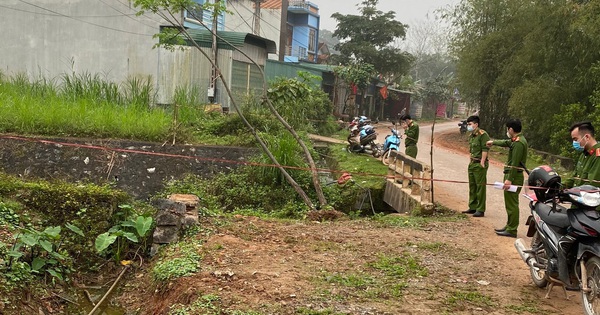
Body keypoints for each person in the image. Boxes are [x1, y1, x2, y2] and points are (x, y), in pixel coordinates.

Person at [486, 119, 528, 238]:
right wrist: (493, 142)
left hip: (514, 177)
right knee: (509, 203)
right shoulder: (515, 140)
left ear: (510, 129)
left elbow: (515, 163)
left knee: (512, 204)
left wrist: (509, 179)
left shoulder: (519, 143)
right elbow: (506, 142)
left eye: (507, 129)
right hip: (512, 175)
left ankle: (512, 229)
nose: (507, 131)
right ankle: (509, 225)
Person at [461, 116, 490, 218]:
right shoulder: (472, 135)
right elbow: (471, 149)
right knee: (472, 186)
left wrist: (482, 162)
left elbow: (485, 149)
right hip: (472, 163)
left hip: (479, 164)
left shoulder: (483, 135)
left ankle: (480, 209)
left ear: (476, 124)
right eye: (468, 124)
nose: (468, 126)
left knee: (480, 187)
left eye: (470, 124)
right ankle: (472, 206)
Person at [563, 121, 600, 189]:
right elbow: (574, 178)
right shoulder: (583, 155)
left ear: (587, 137)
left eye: (575, 139)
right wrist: (558, 186)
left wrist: (571, 192)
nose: (574, 143)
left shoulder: (598, 156)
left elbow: (592, 185)